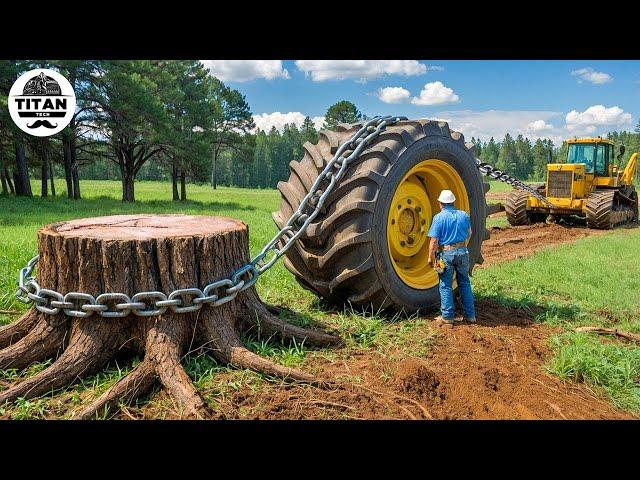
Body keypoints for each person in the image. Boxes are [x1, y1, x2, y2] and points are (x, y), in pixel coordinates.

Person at [427, 189, 476, 328]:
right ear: (453, 202)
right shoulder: (463, 215)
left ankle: (447, 317)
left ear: (440, 203)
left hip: (446, 254)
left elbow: (434, 241)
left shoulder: (439, 217)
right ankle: (470, 315)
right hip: (463, 252)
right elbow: (469, 233)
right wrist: (462, 247)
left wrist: (430, 257)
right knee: (464, 283)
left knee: (445, 285)